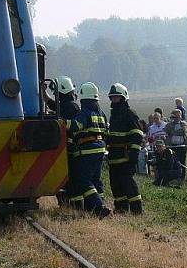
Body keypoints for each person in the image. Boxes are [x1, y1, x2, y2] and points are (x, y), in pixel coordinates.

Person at [67, 82, 110, 218]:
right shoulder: (101, 113)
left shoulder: (84, 112)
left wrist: (62, 122)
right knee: (96, 180)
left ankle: (99, 206)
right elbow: (106, 131)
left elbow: (75, 126)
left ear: (84, 99)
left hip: (87, 150)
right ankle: (101, 203)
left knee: (84, 181)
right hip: (100, 149)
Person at [105, 83, 144, 215]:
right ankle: (121, 209)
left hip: (125, 155)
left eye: (117, 97)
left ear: (123, 98)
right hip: (114, 156)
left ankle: (136, 210)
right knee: (115, 184)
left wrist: (134, 153)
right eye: (113, 97)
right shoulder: (113, 115)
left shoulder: (129, 113)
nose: (114, 100)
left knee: (127, 183)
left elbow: (137, 134)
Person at [52, 76, 80, 203]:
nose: (55, 96)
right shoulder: (67, 105)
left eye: (56, 94)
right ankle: (68, 202)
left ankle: (71, 203)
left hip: (71, 149)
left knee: (71, 177)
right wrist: (45, 96)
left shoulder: (70, 107)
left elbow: (69, 126)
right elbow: (55, 106)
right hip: (68, 149)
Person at [165, 109, 187, 179]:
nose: (177, 118)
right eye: (175, 116)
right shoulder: (169, 124)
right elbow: (168, 131)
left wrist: (174, 132)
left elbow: (185, 131)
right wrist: (176, 132)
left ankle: (182, 177)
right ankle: (174, 177)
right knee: (173, 162)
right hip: (172, 146)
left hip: (182, 146)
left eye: (178, 116)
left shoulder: (184, 123)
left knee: (182, 162)